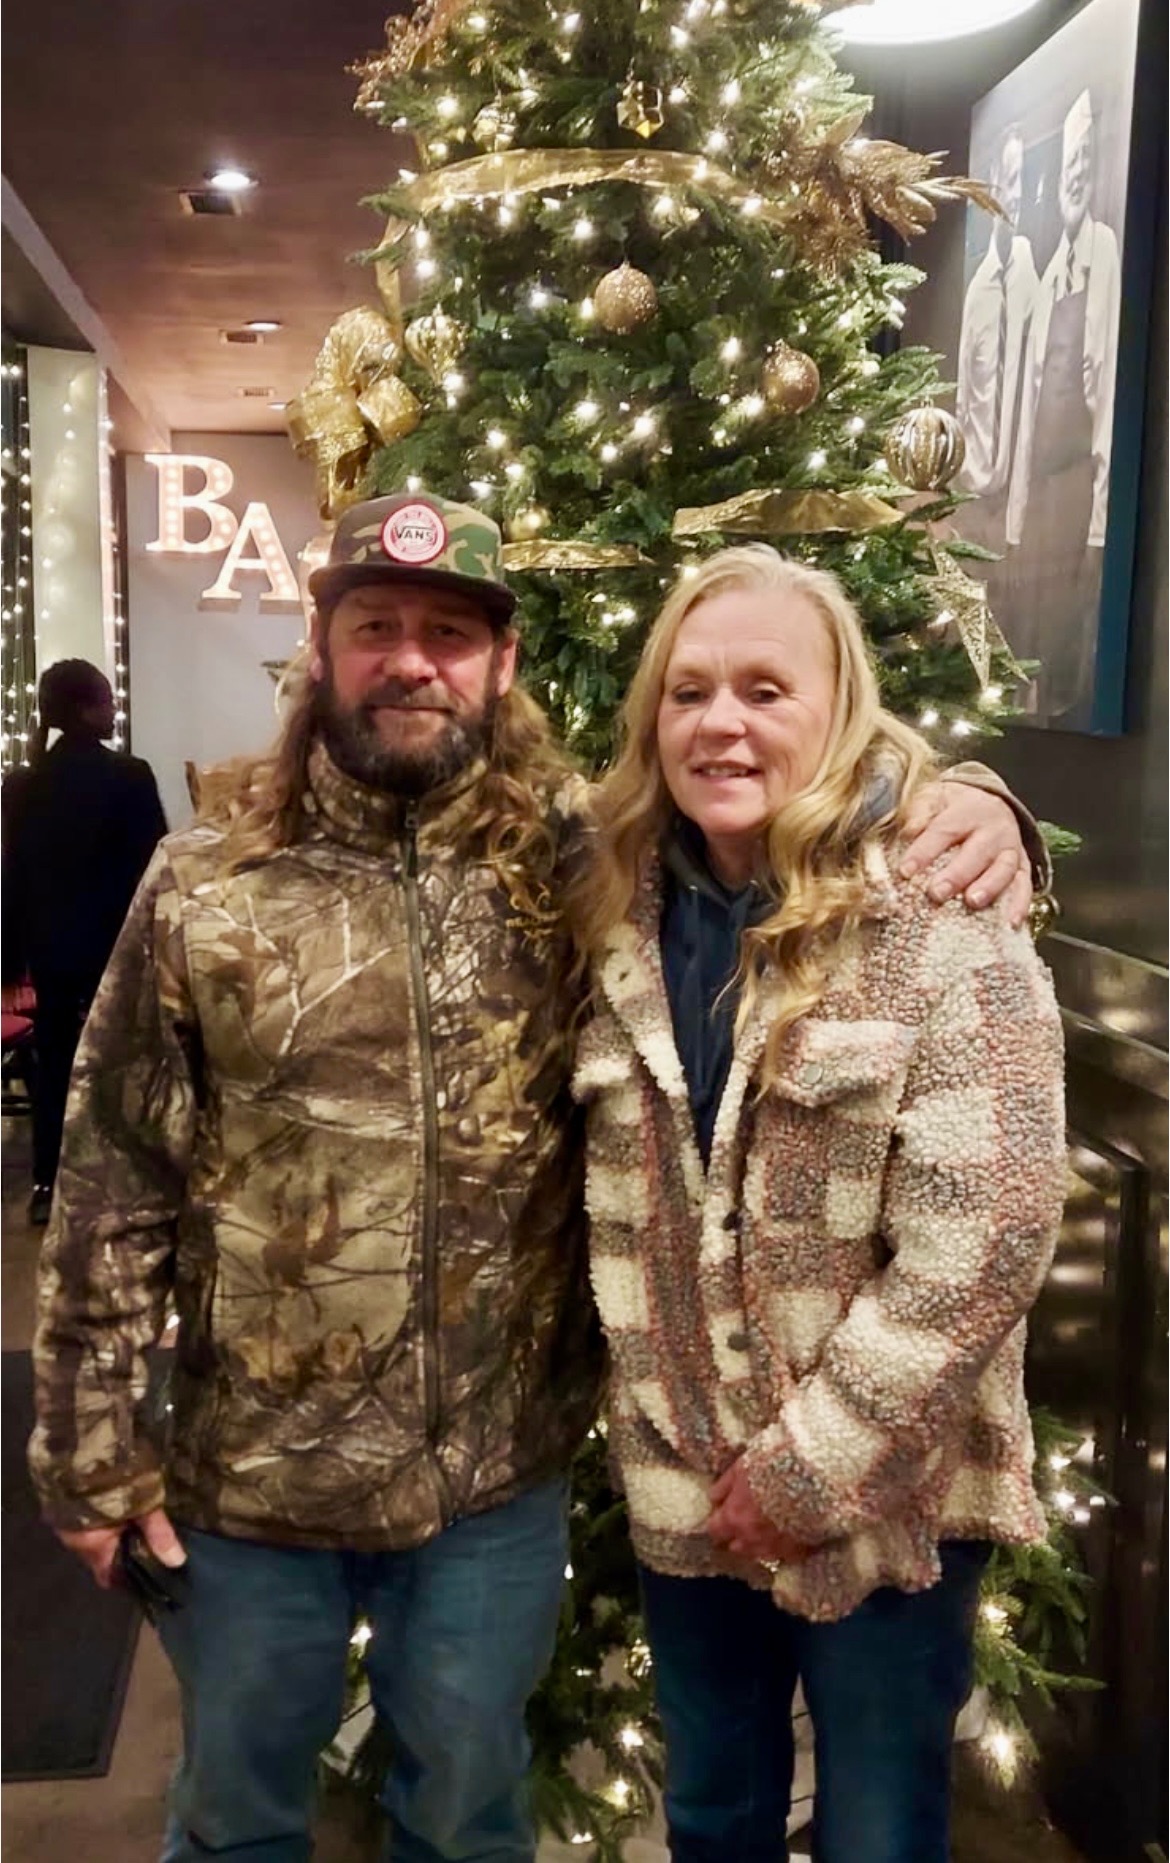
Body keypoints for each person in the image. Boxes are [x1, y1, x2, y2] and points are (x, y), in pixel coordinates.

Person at [30, 493, 1036, 1863]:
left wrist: (980, 801)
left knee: (468, 1821)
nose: (410, 660)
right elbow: (112, 1176)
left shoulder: (575, 863)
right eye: (374, 627)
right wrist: (88, 1452)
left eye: (448, 634)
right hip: (248, 1480)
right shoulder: (206, 879)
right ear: (321, 650)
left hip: (489, 1488)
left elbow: (803, 811)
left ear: (501, 664)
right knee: (234, 1819)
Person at [570, 545, 1066, 1863]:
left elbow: (989, 1231)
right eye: (687, 692)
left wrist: (809, 1467)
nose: (718, 723)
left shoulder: (939, 913)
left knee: (876, 1828)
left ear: (837, 707)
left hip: (890, 1491)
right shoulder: (611, 903)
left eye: (762, 689)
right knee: (711, 1810)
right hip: (686, 1479)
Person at [1, 658, 166, 1224]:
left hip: (49, 949)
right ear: (85, 709)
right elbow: (151, 873)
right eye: (106, 700)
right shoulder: (130, 775)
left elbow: (14, 875)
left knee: (54, 1065)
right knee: (120, 1060)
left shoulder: (22, 784)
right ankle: (116, 1175)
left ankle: (48, 1181)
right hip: (115, 945)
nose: (114, 708)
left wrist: (11, 959)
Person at [1005, 89, 1122, 726]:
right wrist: (1018, 517)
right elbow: (1027, 409)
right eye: (1067, 162)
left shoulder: (1103, 256)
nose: (1075, 174)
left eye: (1085, 160)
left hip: (1078, 493)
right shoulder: (1050, 275)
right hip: (1042, 500)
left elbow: (1104, 403)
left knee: (1065, 659)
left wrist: (1099, 525)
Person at [955, 123, 1039, 547]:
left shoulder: (1032, 280)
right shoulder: (978, 292)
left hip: (1015, 490)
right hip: (974, 489)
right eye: (1009, 179)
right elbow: (964, 395)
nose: (1016, 194)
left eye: (1022, 180)